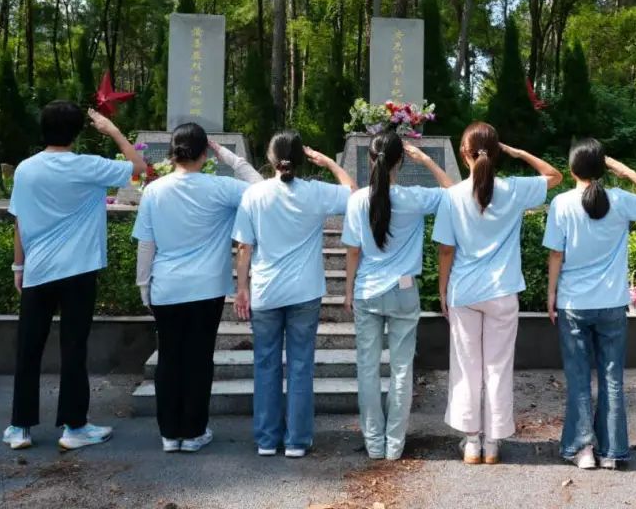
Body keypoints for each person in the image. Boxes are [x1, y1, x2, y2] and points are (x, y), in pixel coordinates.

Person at [4, 102, 147, 451]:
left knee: (29, 348)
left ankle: (20, 427)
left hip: (38, 270)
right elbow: (139, 168)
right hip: (78, 271)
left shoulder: (25, 170)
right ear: (77, 132)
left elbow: (19, 220)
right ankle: (74, 427)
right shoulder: (88, 166)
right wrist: (112, 130)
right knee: (74, 348)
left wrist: (18, 266)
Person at [433, 122, 563, 465]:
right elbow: (554, 176)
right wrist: (518, 153)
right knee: (498, 368)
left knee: (467, 367)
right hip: (503, 290)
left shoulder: (452, 196)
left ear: (464, 153)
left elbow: (446, 250)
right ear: (497, 151)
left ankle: (471, 442)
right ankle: (492, 443)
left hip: (464, 290)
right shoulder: (514, 189)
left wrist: (442, 289)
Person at [132, 123, 262, 453]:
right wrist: (232, 159)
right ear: (205, 153)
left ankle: (169, 432)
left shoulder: (154, 191)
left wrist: (143, 283)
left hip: (166, 285)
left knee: (169, 357)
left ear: (171, 152)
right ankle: (193, 431)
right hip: (206, 287)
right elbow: (263, 190)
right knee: (199, 358)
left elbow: (146, 244)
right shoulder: (221, 187)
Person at [232, 130, 357, 458]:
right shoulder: (316, 193)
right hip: (305, 291)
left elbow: (244, 247)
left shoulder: (254, 194)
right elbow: (354, 195)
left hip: (266, 291)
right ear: (302, 159)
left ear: (270, 158)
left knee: (265, 364)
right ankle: (297, 441)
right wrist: (330, 162)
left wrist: (241, 288)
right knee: (301, 365)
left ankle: (266, 439)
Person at [542, 138, 636, 470]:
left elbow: (556, 254)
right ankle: (612, 452)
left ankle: (582, 449)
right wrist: (626, 171)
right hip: (612, 303)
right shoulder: (620, 200)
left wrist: (551, 293)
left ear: (571, 169)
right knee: (612, 378)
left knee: (579, 377)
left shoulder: (562, 203)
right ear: (603, 167)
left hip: (573, 302)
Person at [341, 132, 454, 461]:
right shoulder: (415, 198)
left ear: (369, 159)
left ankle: (374, 443)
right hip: (404, 291)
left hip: (367, 290)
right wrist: (427, 160)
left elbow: (353, 251)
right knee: (402, 369)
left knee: (367, 368)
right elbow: (454, 191)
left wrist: (347, 291)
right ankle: (395, 444)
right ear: (400, 161)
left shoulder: (357, 201)